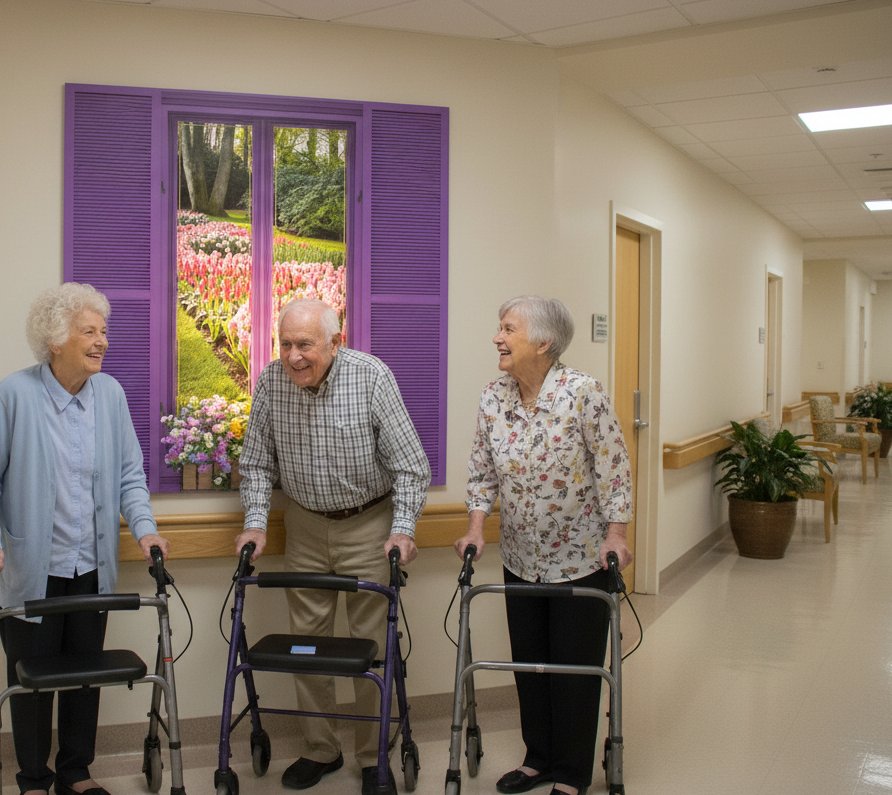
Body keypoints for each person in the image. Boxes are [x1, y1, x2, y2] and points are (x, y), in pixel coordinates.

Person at [0, 282, 168, 795]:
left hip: (90, 570)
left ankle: (75, 772)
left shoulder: (111, 395)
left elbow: (130, 476)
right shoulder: (14, 395)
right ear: (55, 341)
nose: (102, 341)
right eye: (89, 332)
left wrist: (146, 531)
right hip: (32, 571)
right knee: (32, 682)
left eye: (104, 331)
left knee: (85, 676)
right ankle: (34, 778)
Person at [233, 297, 431, 795]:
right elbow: (257, 463)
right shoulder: (272, 382)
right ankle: (320, 748)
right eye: (285, 344)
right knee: (307, 643)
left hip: (368, 523)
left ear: (335, 343)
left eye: (306, 345)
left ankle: (371, 757)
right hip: (303, 526)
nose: (294, 356)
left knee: (369, 645)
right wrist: (256, 524)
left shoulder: (371, 377)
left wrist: (402, 528)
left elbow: (412, 466)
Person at [453, 295, 631, 795]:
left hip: (580, 562)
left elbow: (614, 470)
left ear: (544, 342)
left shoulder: (583, 394)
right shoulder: (494, 398)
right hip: (521, 559)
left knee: (574, 672)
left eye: (508, 329)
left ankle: (572, 774)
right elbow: (482, 473)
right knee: (529, 664)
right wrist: (474, 527)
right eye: (499, 327)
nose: (497, 337)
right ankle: (539, 759)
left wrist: (616, 535)